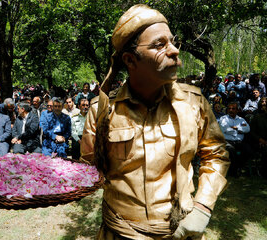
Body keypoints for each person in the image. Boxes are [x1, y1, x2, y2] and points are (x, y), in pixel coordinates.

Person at [80, 5, 229, 240]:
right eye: (160, 45)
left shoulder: (195, 104)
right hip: (119, 234)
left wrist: (202, 207)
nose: (174, 51)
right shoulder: (103, 111)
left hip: (179, 234)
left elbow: (217, 155)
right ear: (130, 60)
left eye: (173, 42)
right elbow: (87, 170)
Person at [219, 102, 250, 177]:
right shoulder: (223, 118)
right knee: (231, 151)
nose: (231, 110)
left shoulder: (241, 119)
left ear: (237, 110)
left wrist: (235, 128)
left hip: (239, 142)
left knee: (248, 150)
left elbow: (247, 129)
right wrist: (239, 130)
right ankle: (233, 172)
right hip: (227, 142)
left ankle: (239, 168)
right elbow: (225, 129)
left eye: (233, 109)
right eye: (229, 108)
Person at [249, 97, 267, 178]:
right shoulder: (256, 117)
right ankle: (264, 172)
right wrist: (259, 139)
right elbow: (252, 132)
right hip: (258, 141)